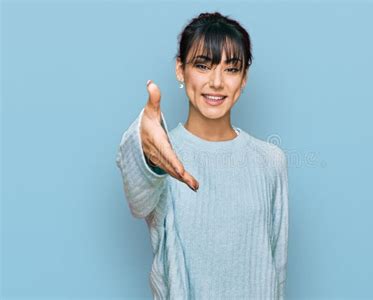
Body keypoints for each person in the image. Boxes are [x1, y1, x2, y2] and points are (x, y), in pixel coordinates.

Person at [115, 11, 289, 299]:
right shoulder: (163, 154)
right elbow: (138, 201)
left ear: (244, 78)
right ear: (180, 70)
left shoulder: (271, 161)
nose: (217, 82)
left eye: (231, 68)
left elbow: (277, 271)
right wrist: (147, 153)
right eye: (203, 65)